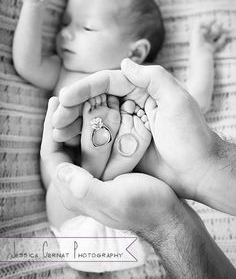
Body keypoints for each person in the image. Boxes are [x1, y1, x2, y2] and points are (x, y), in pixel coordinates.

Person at [40, 61, 236, 278]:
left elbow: (198, 96)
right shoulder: (65, 67)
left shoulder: (128, 83)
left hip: (85, 226)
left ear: (137, 50)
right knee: (67, 177)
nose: (67, 33)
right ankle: (107, 162)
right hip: (124, 229)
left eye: (87, 27)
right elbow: (28, 64)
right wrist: (208, 160)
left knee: (59, 174)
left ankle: (97, 161)